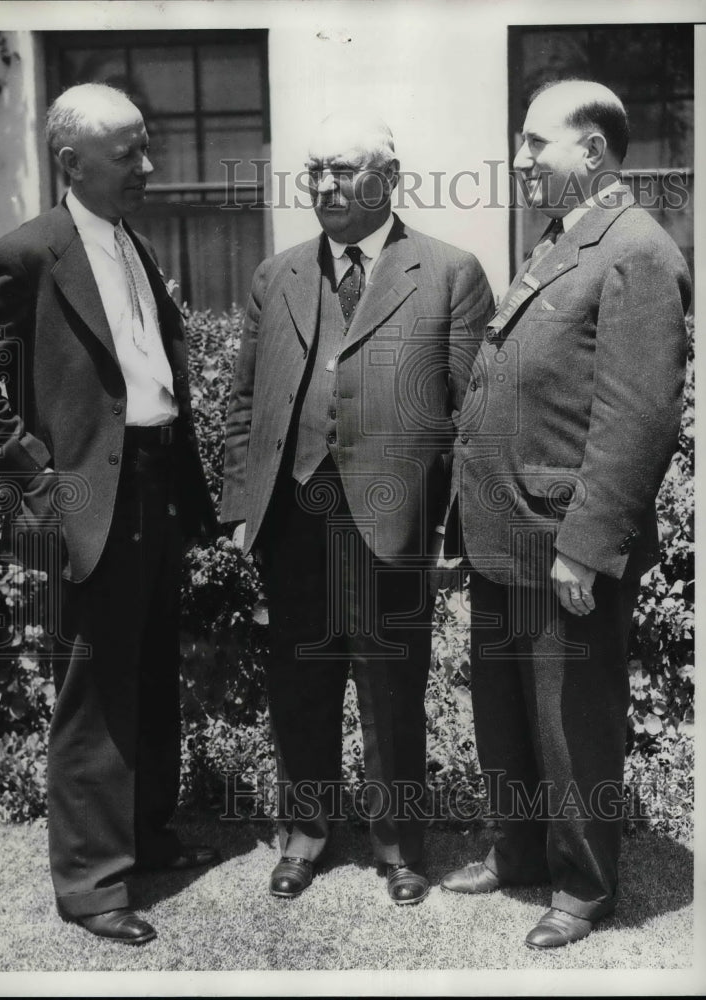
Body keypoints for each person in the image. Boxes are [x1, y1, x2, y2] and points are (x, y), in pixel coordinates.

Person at [0, 83, 218, 945]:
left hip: (153, 488)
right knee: (95, 691)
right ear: (71, 163)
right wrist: (38, 481)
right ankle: (91, 885)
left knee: (148, 671)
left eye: (149, 147)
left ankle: (145, 835)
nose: (149, 166)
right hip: (86, 500)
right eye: (130, 154)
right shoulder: (26, 253)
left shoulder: (131, 245)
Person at [440, 80, 690, 947]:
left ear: (590, 150)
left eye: (533, 143)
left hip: (562, 541)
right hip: (506, 530)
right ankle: (518, 852)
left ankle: (583, 885)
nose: (517, 161)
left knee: (571, 718)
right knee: (506, 711)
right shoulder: (566, 239)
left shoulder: (638, 250)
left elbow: (639, 419)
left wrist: (586, 548)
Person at [221, 111, 494, 905]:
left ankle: (401, 847)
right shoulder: (278, 276)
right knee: (300, 683)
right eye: (315, 171)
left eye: (343, 169)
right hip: (292, 521)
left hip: (394, 522)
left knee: (391, 685)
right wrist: (243, 504)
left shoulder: (448, 272)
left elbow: (472, 419)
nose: (326, 185)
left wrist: (449, 534)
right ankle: (302, 835)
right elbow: (244, 403)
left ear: (389, 178)